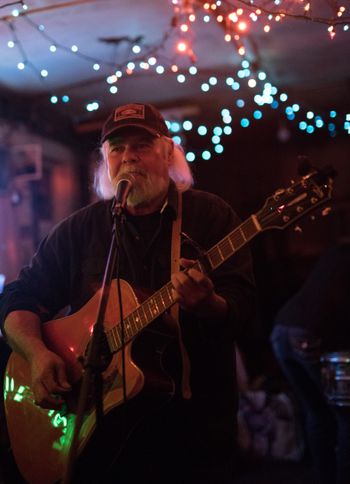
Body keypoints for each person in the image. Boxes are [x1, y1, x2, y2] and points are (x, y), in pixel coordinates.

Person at [0, 103, 256, 484]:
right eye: (117, 149)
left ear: (168, 152)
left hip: (192, 435)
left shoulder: (210, 215)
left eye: (141, 145)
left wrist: (209, 305)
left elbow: (244, 310)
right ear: (106, 162)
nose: (129, 157)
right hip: (102, 445)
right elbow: (18, 299)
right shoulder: (78, 231)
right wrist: (37, 355)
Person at [270, 240, 350, 484]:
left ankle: (323, 477)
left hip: (281, 330)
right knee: (346, 415)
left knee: (316, 411)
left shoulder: (338, 250)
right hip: (307, 334)